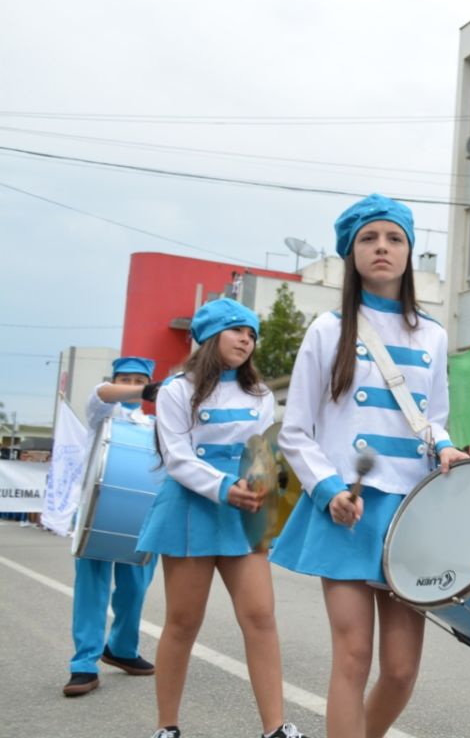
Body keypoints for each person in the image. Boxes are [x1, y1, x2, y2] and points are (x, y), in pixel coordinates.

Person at [270, 194, 466, 738]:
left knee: (401, 672)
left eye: (395, 238)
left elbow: (434, 420)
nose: (382, 248)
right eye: (369, 239)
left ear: (409, 252)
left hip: (410, 517)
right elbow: (295, 431)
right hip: (347, 512)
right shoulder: (327, 330)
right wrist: (328, 488)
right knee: (353, 658)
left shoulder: (433, 334)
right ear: (351, 254)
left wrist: (446, 446)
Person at [137, 299, 305, 738]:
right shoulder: (176, 389)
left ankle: (275, 728)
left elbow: (261, 454)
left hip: (245, 511)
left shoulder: (261, 395)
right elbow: (177, 457)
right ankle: (167, 727)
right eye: (236, 331)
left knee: (260, 617)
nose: (246, 339)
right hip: (192, 508)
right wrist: (221, 488)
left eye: (251, 333)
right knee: (183, 622)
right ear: (209, 337)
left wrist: (267, 487)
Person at [63, 356, 160, 697]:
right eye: (126, 379)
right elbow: (103, 393)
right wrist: (146, 389)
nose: (133, 385)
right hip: (95, 514)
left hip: (141, 518)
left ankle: (121, 649)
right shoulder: (101, 413)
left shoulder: (155, 425)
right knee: (92, 589)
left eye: (140, 380)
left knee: (135, 588)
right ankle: (84, 665)